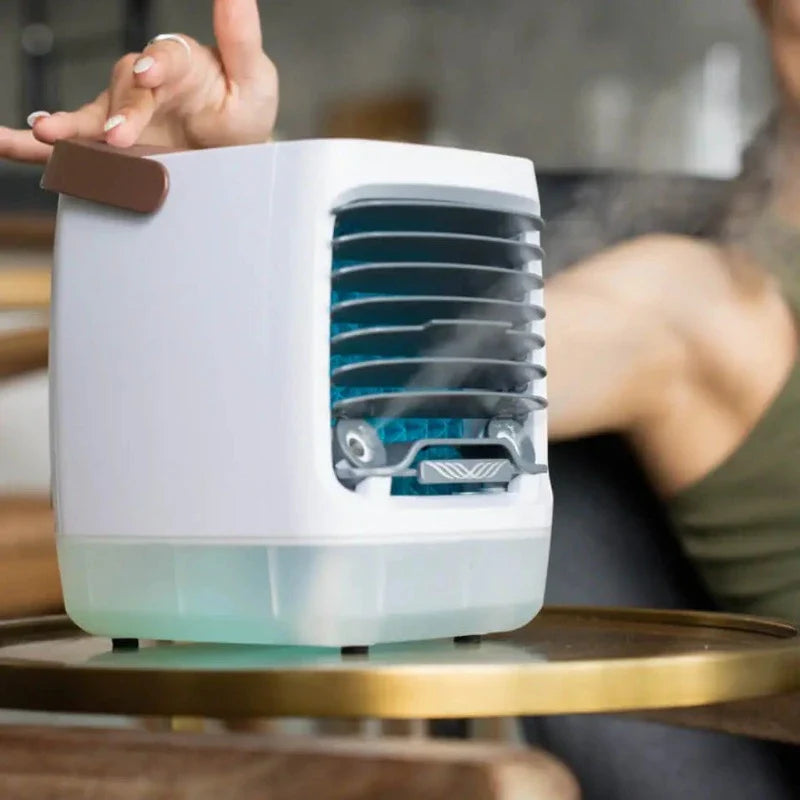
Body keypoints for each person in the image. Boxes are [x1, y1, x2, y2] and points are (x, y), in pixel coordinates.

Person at [2, 2, 799, 799]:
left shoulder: (694, 299)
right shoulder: (699, 276)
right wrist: (232, 207)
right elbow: (368, 382)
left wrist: (261, 221)